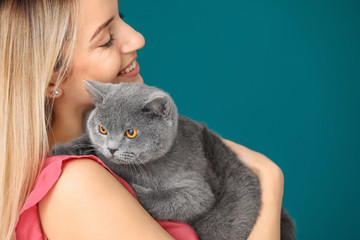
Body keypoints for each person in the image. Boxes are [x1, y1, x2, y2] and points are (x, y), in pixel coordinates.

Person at [0, 0, 285, 239]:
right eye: (106, 39)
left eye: (120, 18)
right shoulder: (77, 185)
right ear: (52, 80)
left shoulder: (99, 166)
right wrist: (269, 182)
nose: (137, 38)